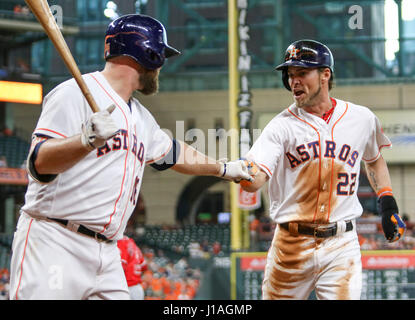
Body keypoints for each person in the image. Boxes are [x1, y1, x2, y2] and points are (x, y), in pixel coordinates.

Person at [9, 14, 253, 300]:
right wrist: (85, 140)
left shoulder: (141, 118)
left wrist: (224, 169)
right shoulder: (71, 94)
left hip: (108, 251)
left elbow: (175, 154)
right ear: (147, 54)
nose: (161, 65)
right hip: (55, 241)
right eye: (160, 55)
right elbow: (38, 163)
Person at [241, 39, 406, 300]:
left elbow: (374, 159)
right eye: (290, 75)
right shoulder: (279, 126)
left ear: (325, 74)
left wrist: (388, 204)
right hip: (291, 244)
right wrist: (240, 172)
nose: (294, 81)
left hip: (341, 243)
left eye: (302, 73)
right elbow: (255, 179)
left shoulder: (361, 118)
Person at [117, 235, 147, 300]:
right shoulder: (133, 244)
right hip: (138, 288)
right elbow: (144, 266)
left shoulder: (121, 241)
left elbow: (121, 266)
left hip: (126, 288)